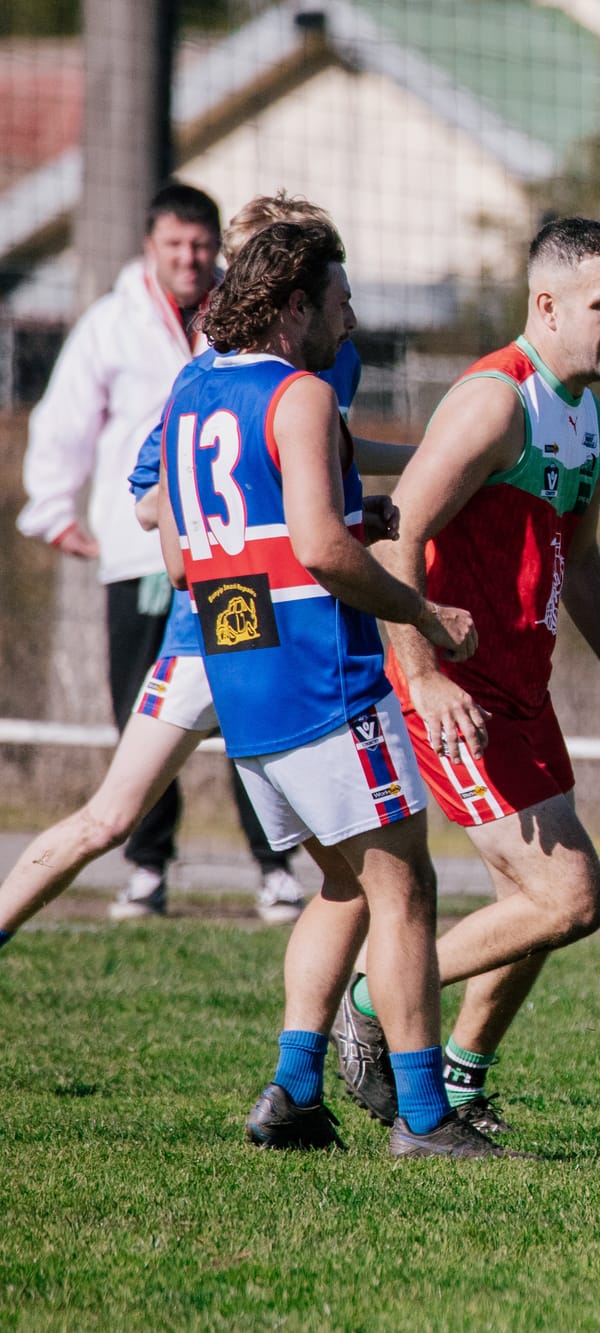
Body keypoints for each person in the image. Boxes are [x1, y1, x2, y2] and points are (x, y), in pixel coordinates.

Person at [322, 217, 600, 1135]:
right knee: (570, 897)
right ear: (547, 304)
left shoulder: (590, 418)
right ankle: (374, 996)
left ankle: (461, 1081)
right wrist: (422, 674)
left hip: (522, 693)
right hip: (451, 688)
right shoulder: (496, 402)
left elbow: (586, 553)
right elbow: (395, 531)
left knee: (533, 909)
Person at [157, 218, 497, 1157]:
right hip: (328, 679)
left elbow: (191, 557)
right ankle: (426, 1119)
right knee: (406, 890)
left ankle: (295, 1090)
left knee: (344, 886)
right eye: (342, 305)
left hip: (246, 682)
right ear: (297, 305)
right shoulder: (299, 393)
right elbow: (319, 549)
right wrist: (428, 619)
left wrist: (360, 509)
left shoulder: (193, 388)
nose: (350, 325)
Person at [0, 196, 411, 946]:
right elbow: (152, 495)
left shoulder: (325, 355)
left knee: (354, 872)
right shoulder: (210, 374)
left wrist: (399, 482)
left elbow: (327, 461)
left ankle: (313, 1037)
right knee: (115, 816)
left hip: (264, 618)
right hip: (229, 621)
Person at [14, 182, 311, 923]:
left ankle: (275, 868)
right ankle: (149, 867)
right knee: (134, 767)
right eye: (177, 244)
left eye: (204, 246)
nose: (192, 258)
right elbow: (122, 462)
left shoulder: (273, 347)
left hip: (242, 576)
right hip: (186, 579)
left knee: (258, 727)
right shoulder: (139, 337)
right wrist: (57, 512)